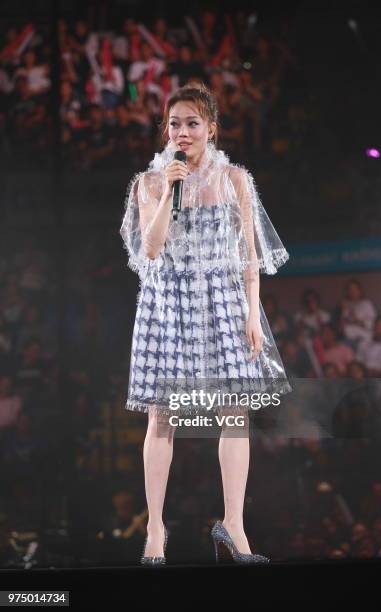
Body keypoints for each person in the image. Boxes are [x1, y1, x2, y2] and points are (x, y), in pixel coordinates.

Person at [119, 81, 292, 565]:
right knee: (163, 416)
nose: (182, 131)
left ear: (211, 128)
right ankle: (155, 530)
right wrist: (171, 186)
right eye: (174, 124)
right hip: (167, 302)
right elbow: (150, 249)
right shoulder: (150, 183)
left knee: (234, 414)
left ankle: (233, 526)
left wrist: (252, 313)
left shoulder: (234, 178)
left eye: (192, 123)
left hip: (221, 299)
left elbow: (250, 257)